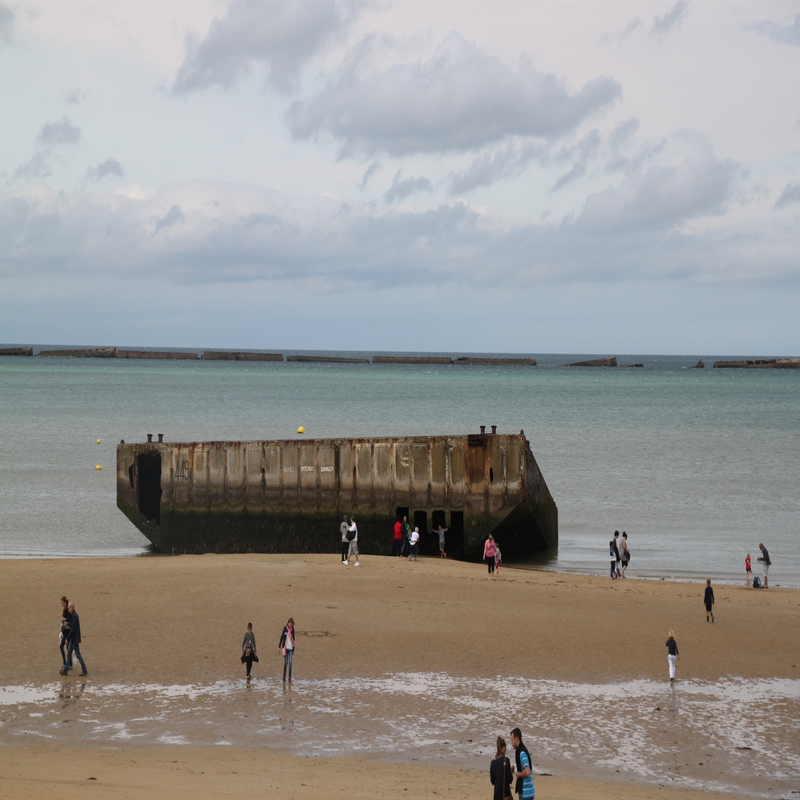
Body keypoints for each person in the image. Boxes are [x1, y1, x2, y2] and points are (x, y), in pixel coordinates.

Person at [60, 601, 87, 676]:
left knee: (77, 654)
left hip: (74, 638)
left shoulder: (74, 616)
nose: (68, 610)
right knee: (69, 654)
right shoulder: (73, 615)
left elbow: (73, 629)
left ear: (72, 608)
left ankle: (84, 670)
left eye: (69, 608)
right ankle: (65, 670)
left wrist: (67, 638)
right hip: (72, 638)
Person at [509, 728, 534, 800]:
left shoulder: (522, 753)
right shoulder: (520, 751)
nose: (511, 742)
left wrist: (518, 774)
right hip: (526, 791)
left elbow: (527, 772)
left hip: (526, 793)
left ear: (517, 739)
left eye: (512, 739)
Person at [489, 736, 513, 800]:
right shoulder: (506, 760)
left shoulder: (493, 762)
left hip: (497, 794)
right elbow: (510, 780)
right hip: (506, 794)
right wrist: (511, 771)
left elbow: (492, 781)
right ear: (504, 748)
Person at [279, 617, 296, 683]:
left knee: (290, 663)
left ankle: (289, 677)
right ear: (288, 623)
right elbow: (281, 637)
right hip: (285, 648)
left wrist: (293, 649)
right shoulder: (285, 628)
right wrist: (279, 646)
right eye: (289, 624)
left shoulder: (293, 630)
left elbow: (294, 640)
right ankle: (284, 676)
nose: (290, 625)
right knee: (286, 663)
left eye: (291, 624)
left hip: (291, 648)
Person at [59, 596, 71, 669]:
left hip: (67, 632)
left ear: (65, 602)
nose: (61, 604)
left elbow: (69, 619)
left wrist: (65, 619)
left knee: (62, 647)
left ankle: (65, 663)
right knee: (67, 647)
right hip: (65, 631)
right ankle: (69, 664)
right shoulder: (65, 610)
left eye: (62, 603)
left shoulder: (67, 610)